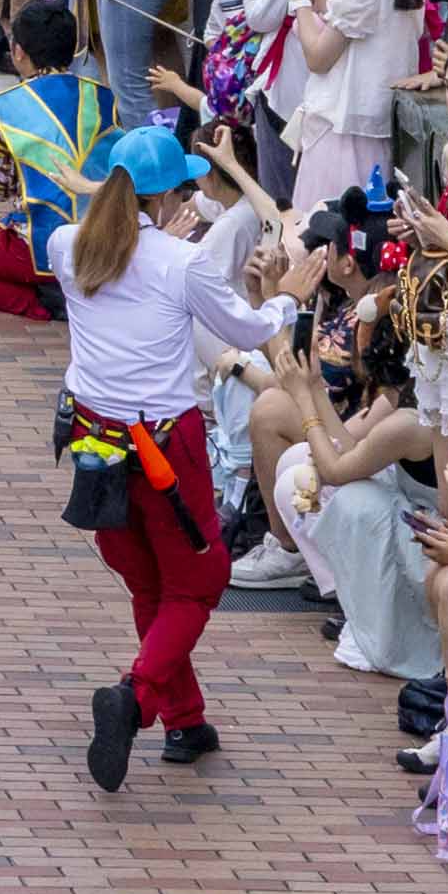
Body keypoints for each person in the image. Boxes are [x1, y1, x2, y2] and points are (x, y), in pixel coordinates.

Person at [54, 126, 299, 794]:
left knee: (149, 581)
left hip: (94, 439)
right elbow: (249, 328)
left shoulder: (67, 244)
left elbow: (117, 250)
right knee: (198, 579)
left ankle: (185, 721)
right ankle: (135, 697)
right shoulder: (180, 262)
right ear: (166, 198)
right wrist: (289, 296)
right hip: (164, 443)